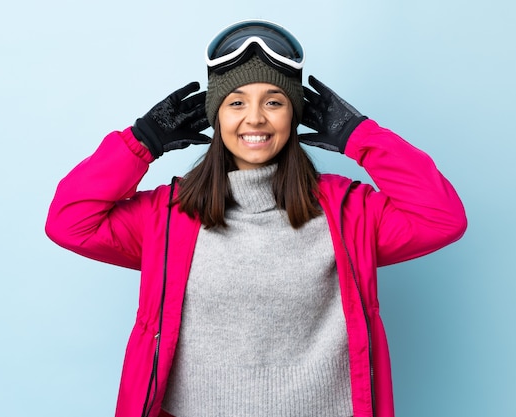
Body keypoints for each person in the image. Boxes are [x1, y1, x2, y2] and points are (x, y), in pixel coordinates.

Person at [45, 19, 467, 417]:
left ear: (294, 116)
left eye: (274, 101)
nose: (255, 118)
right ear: (216, 117)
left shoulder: (348, 213)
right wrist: (142, 141)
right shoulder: (168, 217)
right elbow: (70, 220)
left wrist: (359, 136)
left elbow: (442, 217)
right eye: (236, 102)